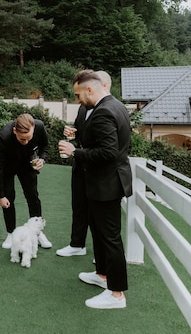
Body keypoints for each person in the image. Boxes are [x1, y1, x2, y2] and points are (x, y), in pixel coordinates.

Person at [58, 69, 132, 309]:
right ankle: (102, 275)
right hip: (103, 183)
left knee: (110, 238)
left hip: (107, 184)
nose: (78, 100)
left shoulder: (104, 112)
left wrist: (75, 152)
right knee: (100, 233)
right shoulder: (115, 105)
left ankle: (117, 294)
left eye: (78, 95)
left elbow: (109, 152)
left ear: (90, 89)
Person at [56, 70, 112, 258]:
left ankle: (101, 257)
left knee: (97, 214)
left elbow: (107, 146)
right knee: (78, 205)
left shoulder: (105, 109)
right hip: (81, 164)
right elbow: (83, 133)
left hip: (96, 167)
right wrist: (73, 132)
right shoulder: (83, 107)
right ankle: (77, 243)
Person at [0, 113, 52, 249]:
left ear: (34, 129)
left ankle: (37, 232)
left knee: (32, 196)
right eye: (22, 139)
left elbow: (45, 147)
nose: (26, 142)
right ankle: (10, 233)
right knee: (8, 197)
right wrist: (0, 195)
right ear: (14, 131)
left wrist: (42, 158)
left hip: (28, 165)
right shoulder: (3, 137)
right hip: (7, 166)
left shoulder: (39, 127)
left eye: (29, 138)